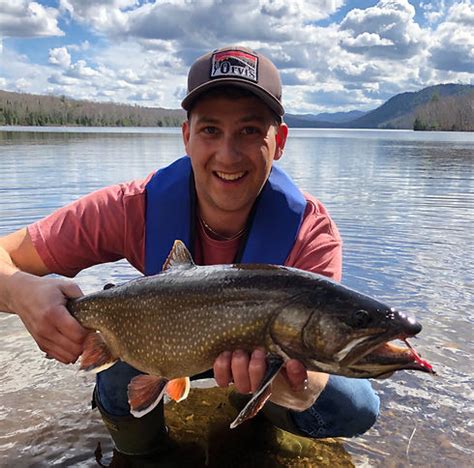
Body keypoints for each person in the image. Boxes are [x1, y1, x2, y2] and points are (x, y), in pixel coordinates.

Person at [0, 45, 379, 456]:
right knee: (116, 371)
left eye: (250, 131)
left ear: (280, 140)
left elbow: (319, 360)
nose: (228, 154)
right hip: (157, 340)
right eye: (210, 130)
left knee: (353, 404)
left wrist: (293, 387)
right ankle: (141, 452)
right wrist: (22, 294)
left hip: (257, 363)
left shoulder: (309, 231)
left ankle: (250, 412)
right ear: (187, 137)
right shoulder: (132, 207)